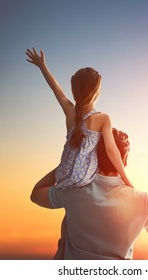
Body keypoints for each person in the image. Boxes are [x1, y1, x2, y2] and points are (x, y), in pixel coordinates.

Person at [31, 128, 148, 260]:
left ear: (92, 157)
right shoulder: (143, 201)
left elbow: (36, 194)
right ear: (124, 160)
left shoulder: (74, 190)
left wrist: (68, 164)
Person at [26, 48, 132, 189]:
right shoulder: (102, 118)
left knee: (36, 191)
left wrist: (43, 66)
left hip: (63, 174)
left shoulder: (70, 112)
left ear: (74, 90)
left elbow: (56, 89)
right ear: (96, 92)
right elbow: (111, 150)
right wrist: (126, 179)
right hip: (83, 178)